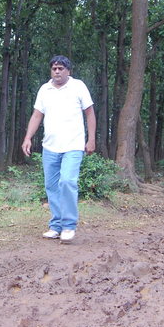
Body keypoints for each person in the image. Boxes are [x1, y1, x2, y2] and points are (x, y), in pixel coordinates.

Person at [21, 55, 96, 243]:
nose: (57, 71)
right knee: (51, 186)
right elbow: (37, 115)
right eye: (54, 68)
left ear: (68, 71)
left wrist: (91, 139)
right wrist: (28, 137)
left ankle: (69, 226)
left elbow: (90, 113)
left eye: (61, 68)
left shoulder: (78, 86)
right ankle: (56, 225)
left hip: (73, 145)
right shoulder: (44, 90)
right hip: (50, 147)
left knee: (67, 182)